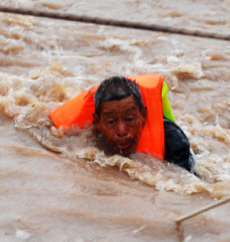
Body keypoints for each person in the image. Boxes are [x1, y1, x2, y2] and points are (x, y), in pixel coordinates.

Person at [50, 75, 198, 176]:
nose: (121, 131)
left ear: (143, 115)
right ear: (98, 123)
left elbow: (188, 185)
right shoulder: (84, 134)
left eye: (129, 119)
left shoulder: (173, 141)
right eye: (111, 122)